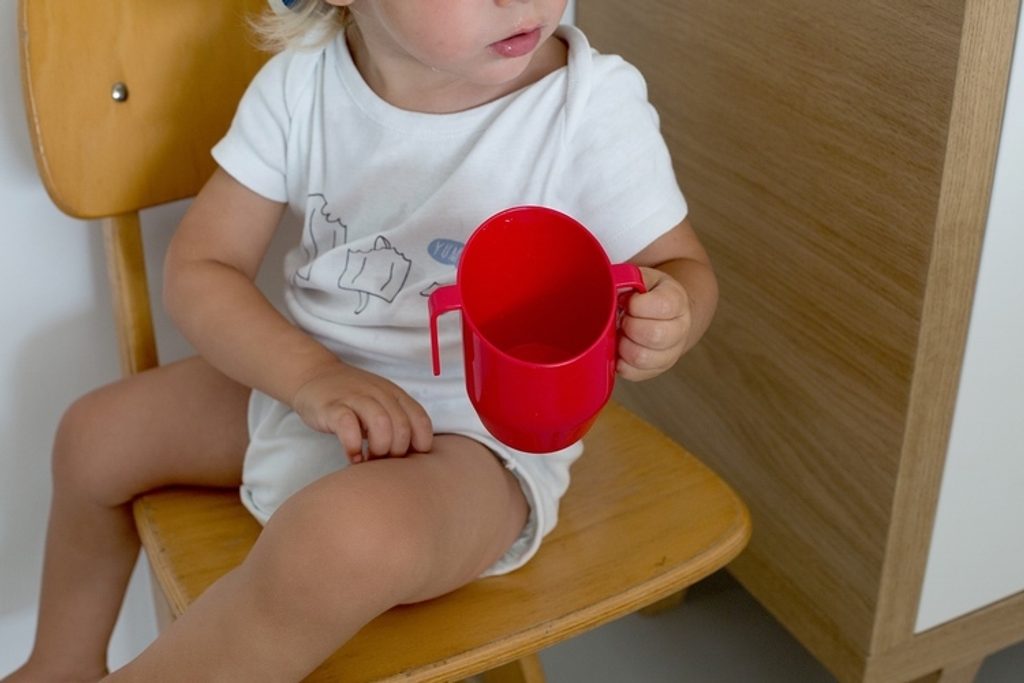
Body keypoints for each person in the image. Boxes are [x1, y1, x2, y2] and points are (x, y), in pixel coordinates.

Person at [4, 0, 718, 680]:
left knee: (340, 542)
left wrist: (671, 312)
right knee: (93, 436)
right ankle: (60, 665)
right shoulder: (301, 87)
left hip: (480, 437)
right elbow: (201, 268)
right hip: (315, 376)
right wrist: (309, 376)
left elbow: (680, 266)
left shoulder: (587, 106)